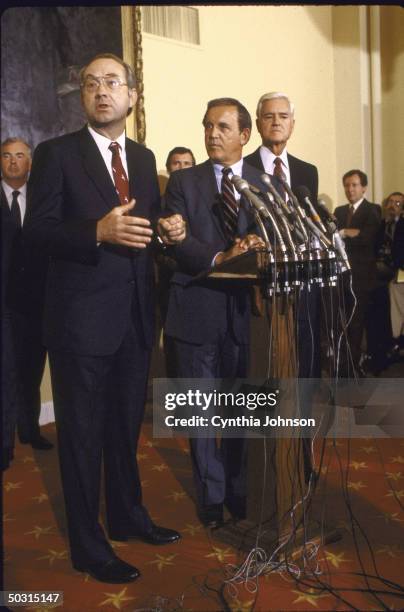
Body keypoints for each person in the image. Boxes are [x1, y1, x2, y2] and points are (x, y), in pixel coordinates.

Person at [23, 53, 186, 584]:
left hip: (135, 317)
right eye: (91, 84)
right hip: (80, 323)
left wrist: (169, 225)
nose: (101, 91)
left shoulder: (141, 157)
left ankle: (127, 515)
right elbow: (38, 232)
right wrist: (96, 232)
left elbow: (149, 214)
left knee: (122, 430)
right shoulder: (55, 154)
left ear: (131, 96)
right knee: (82, 436)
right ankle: (88, 545)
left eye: (112, 82)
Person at [164, 97, 267, 528]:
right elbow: (176, 240)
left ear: (244, 136)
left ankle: (239, 488)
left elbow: (269, 237)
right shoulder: (184, 183)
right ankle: (211, 495)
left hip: (248, 316)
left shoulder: (266, 184)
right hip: (196, 309)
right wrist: (222, 257)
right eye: (208, 126)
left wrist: (256, 246)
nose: (212, 134)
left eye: (223, 127)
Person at [245, 92, 320, 378]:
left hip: (302, 278)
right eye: (269, 116)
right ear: (257, 123)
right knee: (266, 364)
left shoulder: (307, 171)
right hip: (262, 282)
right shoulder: (243, 166)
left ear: (292, 124)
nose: (276, 122)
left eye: (283, 116)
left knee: (304, 358)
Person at [1, 138, 53, 453]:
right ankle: (4, 445)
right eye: (6, 156)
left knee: (32, 370)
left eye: (20, 156)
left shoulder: (41, 201)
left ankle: (30, 431)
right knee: (5, 373)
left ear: (29, 162)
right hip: (3, 304)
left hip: (36, 302)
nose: (13, 162)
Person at [334, 170, 381, 376]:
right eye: (347, 185)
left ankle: (353, 366)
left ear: (364, 188)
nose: (350, 189)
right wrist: (348, 233)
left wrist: (343, 233)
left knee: (357, 323)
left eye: (354, 185)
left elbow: (367, 238)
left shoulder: (373, 210)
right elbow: (332, 237)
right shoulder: (339, 210)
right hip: (342, 275)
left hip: (363, 277)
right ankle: (345, 363)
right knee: (341, 321)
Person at [158, 146, 196, 377]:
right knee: (174, 347)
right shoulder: (159, 202)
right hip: (169, 281)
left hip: (199, 282)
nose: (181, 168)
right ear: (169, 167)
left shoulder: (206, 197)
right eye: (176, 163)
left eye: (187, 164)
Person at [365, 192, 404, 373]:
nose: (392, 206)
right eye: (390, 202)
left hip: (398, 271)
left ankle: (395, 343)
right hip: (379, 271)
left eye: (397, 203)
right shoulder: (381, 225)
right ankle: (380, 351)